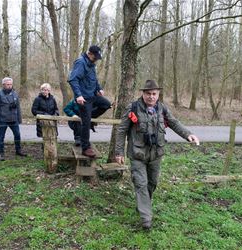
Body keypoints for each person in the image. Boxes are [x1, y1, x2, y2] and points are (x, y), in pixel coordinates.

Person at [115, 80, 200, 230]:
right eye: (148, 94)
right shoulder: (133, 108)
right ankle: (146, 219)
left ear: (158, 94)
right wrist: (119, 151)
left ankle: (143, 205)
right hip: (137, 154)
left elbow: (174, 123)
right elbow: (121, 130)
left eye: (154, 94)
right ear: (143, 93)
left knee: (152, 183)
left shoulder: (162, 109)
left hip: (156, 154)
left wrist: (188, 135)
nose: (151, 97)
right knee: (141, 184)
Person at [67, 45, 111, 157]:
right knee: (85, 122)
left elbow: (94, 79)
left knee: (106, 104)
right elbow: (73, 79)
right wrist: (78, 95)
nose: (96, 59)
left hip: (92, 96)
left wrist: (99, 88)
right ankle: (85, 148)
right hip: (83, 99)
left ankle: (89, 119)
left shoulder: (92, 65)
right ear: (89, 53)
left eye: (97, 57)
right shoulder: (81, 63)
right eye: (94, 57)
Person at [0, 77, 27, 161]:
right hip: (3, 119)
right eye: (7, 84)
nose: (9, 86)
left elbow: (18, 107)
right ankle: (1, 153)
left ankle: (18, 150)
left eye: (10, 84)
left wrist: (19, 119)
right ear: (3, 85)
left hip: (14, 119)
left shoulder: (15, 93)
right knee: (1, 136)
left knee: (17, 135)